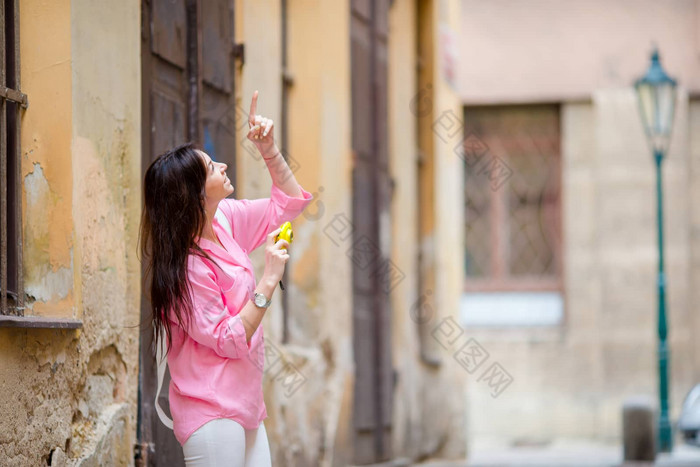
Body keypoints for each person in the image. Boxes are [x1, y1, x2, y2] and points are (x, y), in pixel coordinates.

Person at [139, 91, 313, 466]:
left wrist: (269, 149)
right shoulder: (187, 269)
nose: (223, 165)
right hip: (211, 412)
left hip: (247, 404)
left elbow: (289, 204)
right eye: (211, 167)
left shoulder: (224, 220)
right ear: (195, 195)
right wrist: (268, 280)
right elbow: (230, 340)